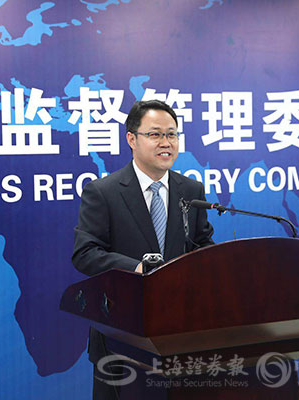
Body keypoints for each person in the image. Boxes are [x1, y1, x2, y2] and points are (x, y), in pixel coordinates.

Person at [72, 100, 215, 399]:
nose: (166, 143)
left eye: (172, 134)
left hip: (181, 336)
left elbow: (203, 246)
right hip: (120, 338)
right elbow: (85, 253)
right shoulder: (104, 192)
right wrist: (138, 268)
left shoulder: (192, 190)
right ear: (132, 139)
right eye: (155, 134)